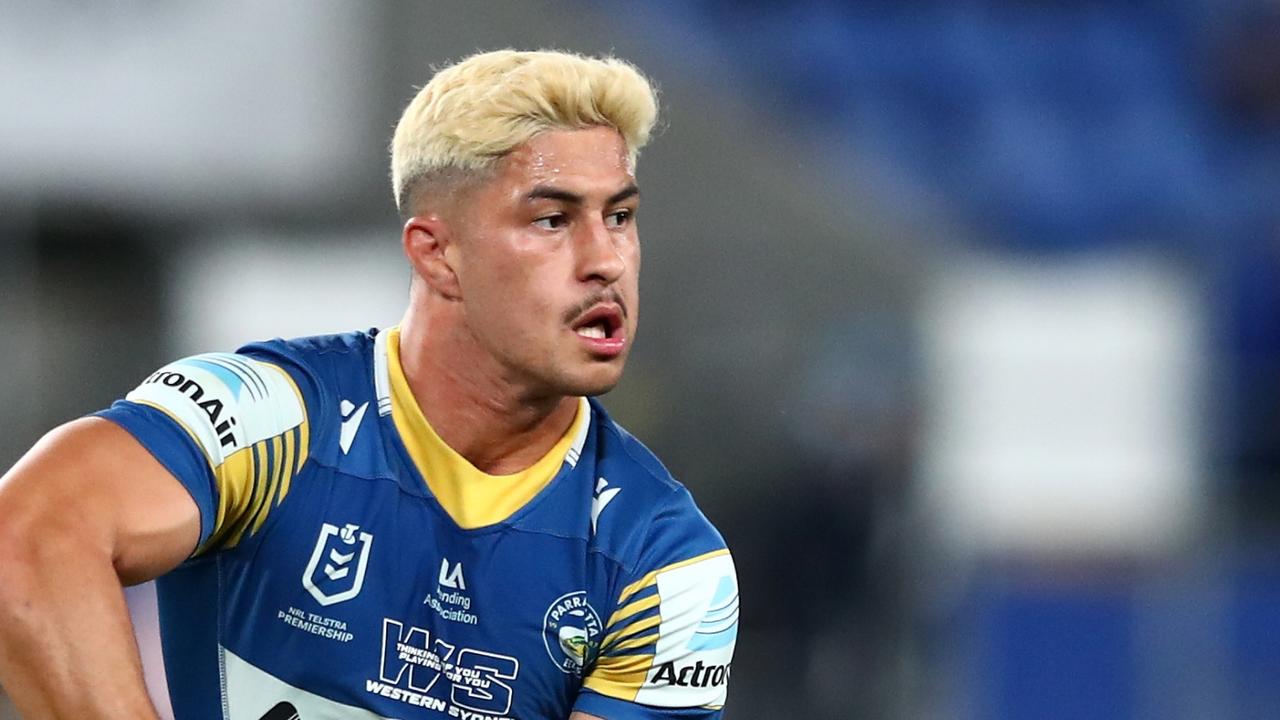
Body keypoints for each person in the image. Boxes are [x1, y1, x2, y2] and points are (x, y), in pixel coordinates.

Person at [0, 49, 738, 720]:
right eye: (552, 220)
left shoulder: (667, 566)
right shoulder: (268, 414)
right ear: (437, 254)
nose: (605, 258)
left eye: (620, 216)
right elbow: (24, 538)